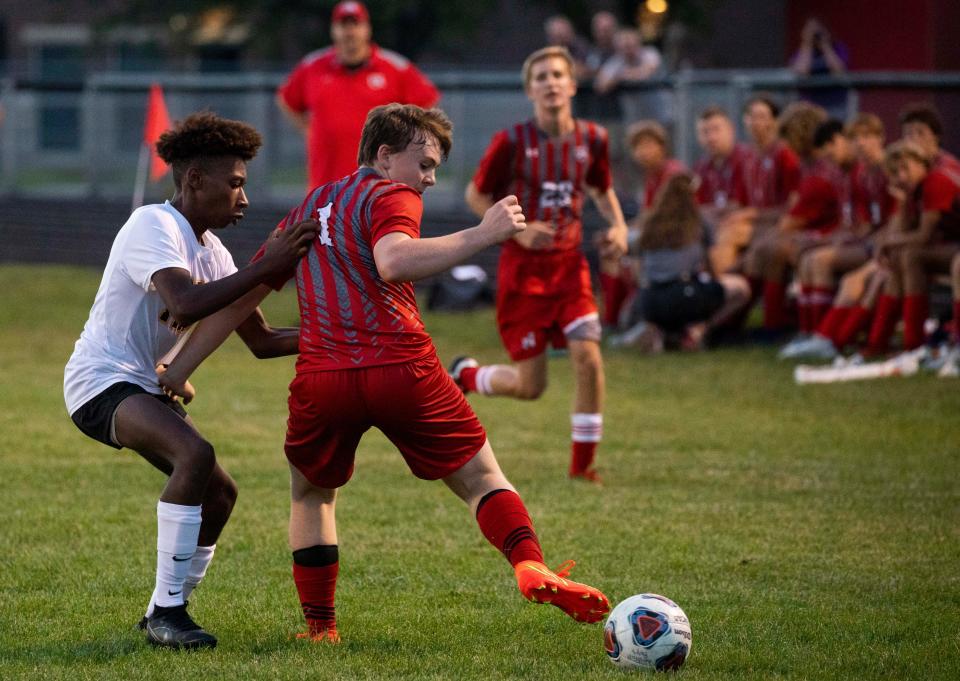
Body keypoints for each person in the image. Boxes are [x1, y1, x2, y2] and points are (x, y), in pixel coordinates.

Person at [159, 103, 610, 643]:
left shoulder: (309, 206)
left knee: (311, 497)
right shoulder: (390, 194)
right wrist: (484, 233)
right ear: (383, 156)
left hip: (324, 379)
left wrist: (179, 366)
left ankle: (320, 628)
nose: (429, 178)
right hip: (403, 368)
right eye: (423, 163)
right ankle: (529, 563)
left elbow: (243, 299)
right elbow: (394, 259)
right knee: (482, 480)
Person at [62, 112, 318, 649]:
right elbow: (184, 302)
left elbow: (263, 340)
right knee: (194, 456)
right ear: (195, 180)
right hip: (100, 383)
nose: (243, 198)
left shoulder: (215, 251)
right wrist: (267, 265)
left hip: (143, 386)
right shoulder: (151, 225)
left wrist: (344, 333)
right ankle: (169, 616)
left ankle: (162, 609)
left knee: (221, 494)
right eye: (236, 183)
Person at [453, 47, 628, 484]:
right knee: (532, 387)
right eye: (541, 77)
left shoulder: (594, 139)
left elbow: (600, 189)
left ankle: (582, 467)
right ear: (530, 90)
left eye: (558, 75)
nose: (550, 82)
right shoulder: (511, 142)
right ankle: (468, 375)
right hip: (523, 274)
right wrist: (518, 228)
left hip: (570, 270)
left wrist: (620, 228)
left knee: (588, 357)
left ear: (572, 85)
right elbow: (476, 196)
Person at [276, 0, 439, 189]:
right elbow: (286, 100)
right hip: (326, 185)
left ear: (367, 29)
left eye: (356, 24)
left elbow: (428, 100)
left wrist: (404, 142)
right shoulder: (313, 66)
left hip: (379, 186)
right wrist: (308, 129)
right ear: (333, 30)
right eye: (343, 25)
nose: (350, 32)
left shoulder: (393, 67)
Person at [779, 113, 897, 360]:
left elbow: (885, 225)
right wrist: (825, 238)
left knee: (821, 261)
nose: (861, 144)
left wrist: (833, 240)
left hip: (885, 247)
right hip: (872, 243)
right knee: (810, 256)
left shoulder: (883, 172)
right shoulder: (858, 174)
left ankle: (827, 337)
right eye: (857, 138)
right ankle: (813, 334)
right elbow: (859, 225)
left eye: (866, 137)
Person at [613, 174, 750, 352]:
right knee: (740, 288)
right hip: (684, 294)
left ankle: (660, 332)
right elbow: (712, 266)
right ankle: (696, 331)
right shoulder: (698, 220)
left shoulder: (650, 222)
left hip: (649, 299)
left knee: (662, 302)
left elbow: (637, 267)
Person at [745, 118, 855, 335]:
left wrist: (821, 239)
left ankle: (806, 330)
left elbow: (793, 220)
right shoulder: (817, 168)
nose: (785, 148)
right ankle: (800, 329)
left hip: (838, 236)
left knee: (777, 250)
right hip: (831, 233)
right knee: (766, 247)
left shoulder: (824, 173)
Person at [866, 140, 960, 354]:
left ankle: (912, 341)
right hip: (952, 246)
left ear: (921, 163)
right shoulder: (916, 190)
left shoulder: (935, 181)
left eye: (905, 168)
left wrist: (886, 244)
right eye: (896, 172)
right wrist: (901, 202)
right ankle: (886, 341)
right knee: (904, 256)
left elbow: (923, 236)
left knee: (910, 256)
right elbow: (904, 230)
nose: (902, 176)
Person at [599, 120, 685, 327]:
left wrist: (625, 231)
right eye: (637, 147)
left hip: (674, 237)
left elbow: (663, 215)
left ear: (662, 146)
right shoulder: (651, 176)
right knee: (609, 244)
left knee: (617, 246)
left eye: (648, 145)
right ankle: (615, 317)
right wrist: (622, 229)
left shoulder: (673, 172)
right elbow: (648, 213)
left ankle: (628, 316)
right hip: (654, 233)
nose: (642, 152)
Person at [692, 106, 752, 274]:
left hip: (746, 223)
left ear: (731, 130)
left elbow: (739, 205)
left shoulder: (745, 159)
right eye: (705, 132)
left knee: (724, 235)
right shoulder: (701, 167)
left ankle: (723, 294)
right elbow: (696, 207)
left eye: (716, 129)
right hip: (712, 226)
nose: (711, 137)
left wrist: (709, 213)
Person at [790, 17, 850, 116]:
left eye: (818, 30)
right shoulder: (801, 52)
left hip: (835, 104)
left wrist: (825, 45)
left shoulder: (837, 48)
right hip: (809, 105)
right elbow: (801, 73)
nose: (815, 35)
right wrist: (807, 43)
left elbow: (839, 71)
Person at [898, 102, 960, 174]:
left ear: (935, 137)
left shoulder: (949, 170)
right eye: (908, 133)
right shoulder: (905, 174)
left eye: (920, 132)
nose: (914, 138)